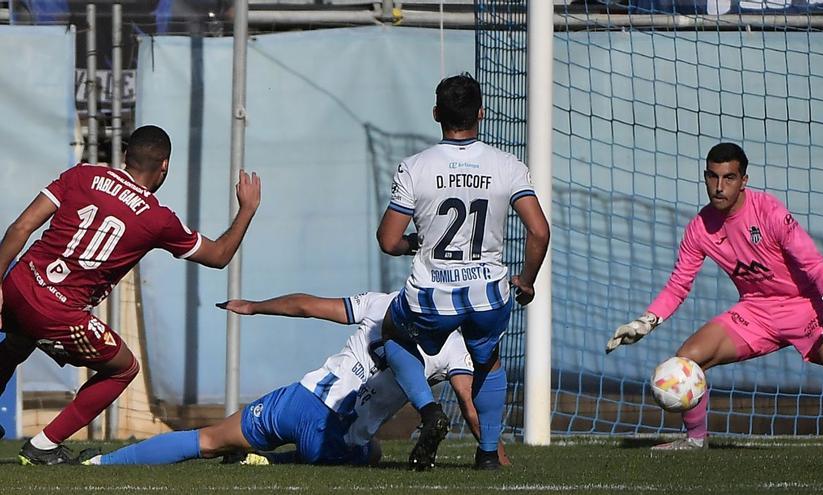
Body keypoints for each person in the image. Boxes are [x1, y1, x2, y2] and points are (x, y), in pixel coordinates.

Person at [0, 125, 261, 464]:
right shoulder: (158, 219)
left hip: (19, 283)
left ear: (125, 156)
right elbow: (219, 256)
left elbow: (20, 228)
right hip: (59, 311)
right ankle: (44, 445)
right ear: (164, 166)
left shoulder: (82, 175)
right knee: (123, 368)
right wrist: (247, 209)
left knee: (19, 341)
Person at [606, 142, 823, 449]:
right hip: (757, 312)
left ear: (744, 180)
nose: (719, 187)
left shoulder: (769, 212)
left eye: (729, 178)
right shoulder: (699, 228)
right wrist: (646, 321)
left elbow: (813, 262)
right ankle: (695, 442)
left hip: (807, 306)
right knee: (689, 358)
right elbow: (678, 285)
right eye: (712, 177)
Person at [85, 291, 509, 466]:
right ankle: (266, 462)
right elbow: (470, 406)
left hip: (300, 397)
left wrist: (254, 306)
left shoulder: (385, 303)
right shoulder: (456, 348)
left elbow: (308, 306)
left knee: (208, 439)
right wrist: (493, 453)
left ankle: (99, 464)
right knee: (372, 453)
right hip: (334, 433)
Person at [376, 73, 550, 470]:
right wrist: (526, 280)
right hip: (487, 291)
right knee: (487, 361)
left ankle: (429, 411)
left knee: (392, 335)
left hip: (431, 294)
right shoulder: (507, 166)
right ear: (482, 114)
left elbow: (388, 241)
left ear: (436, 113)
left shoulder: (415, 167)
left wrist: (413, 245)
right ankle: (488, 452)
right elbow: (539, 230)